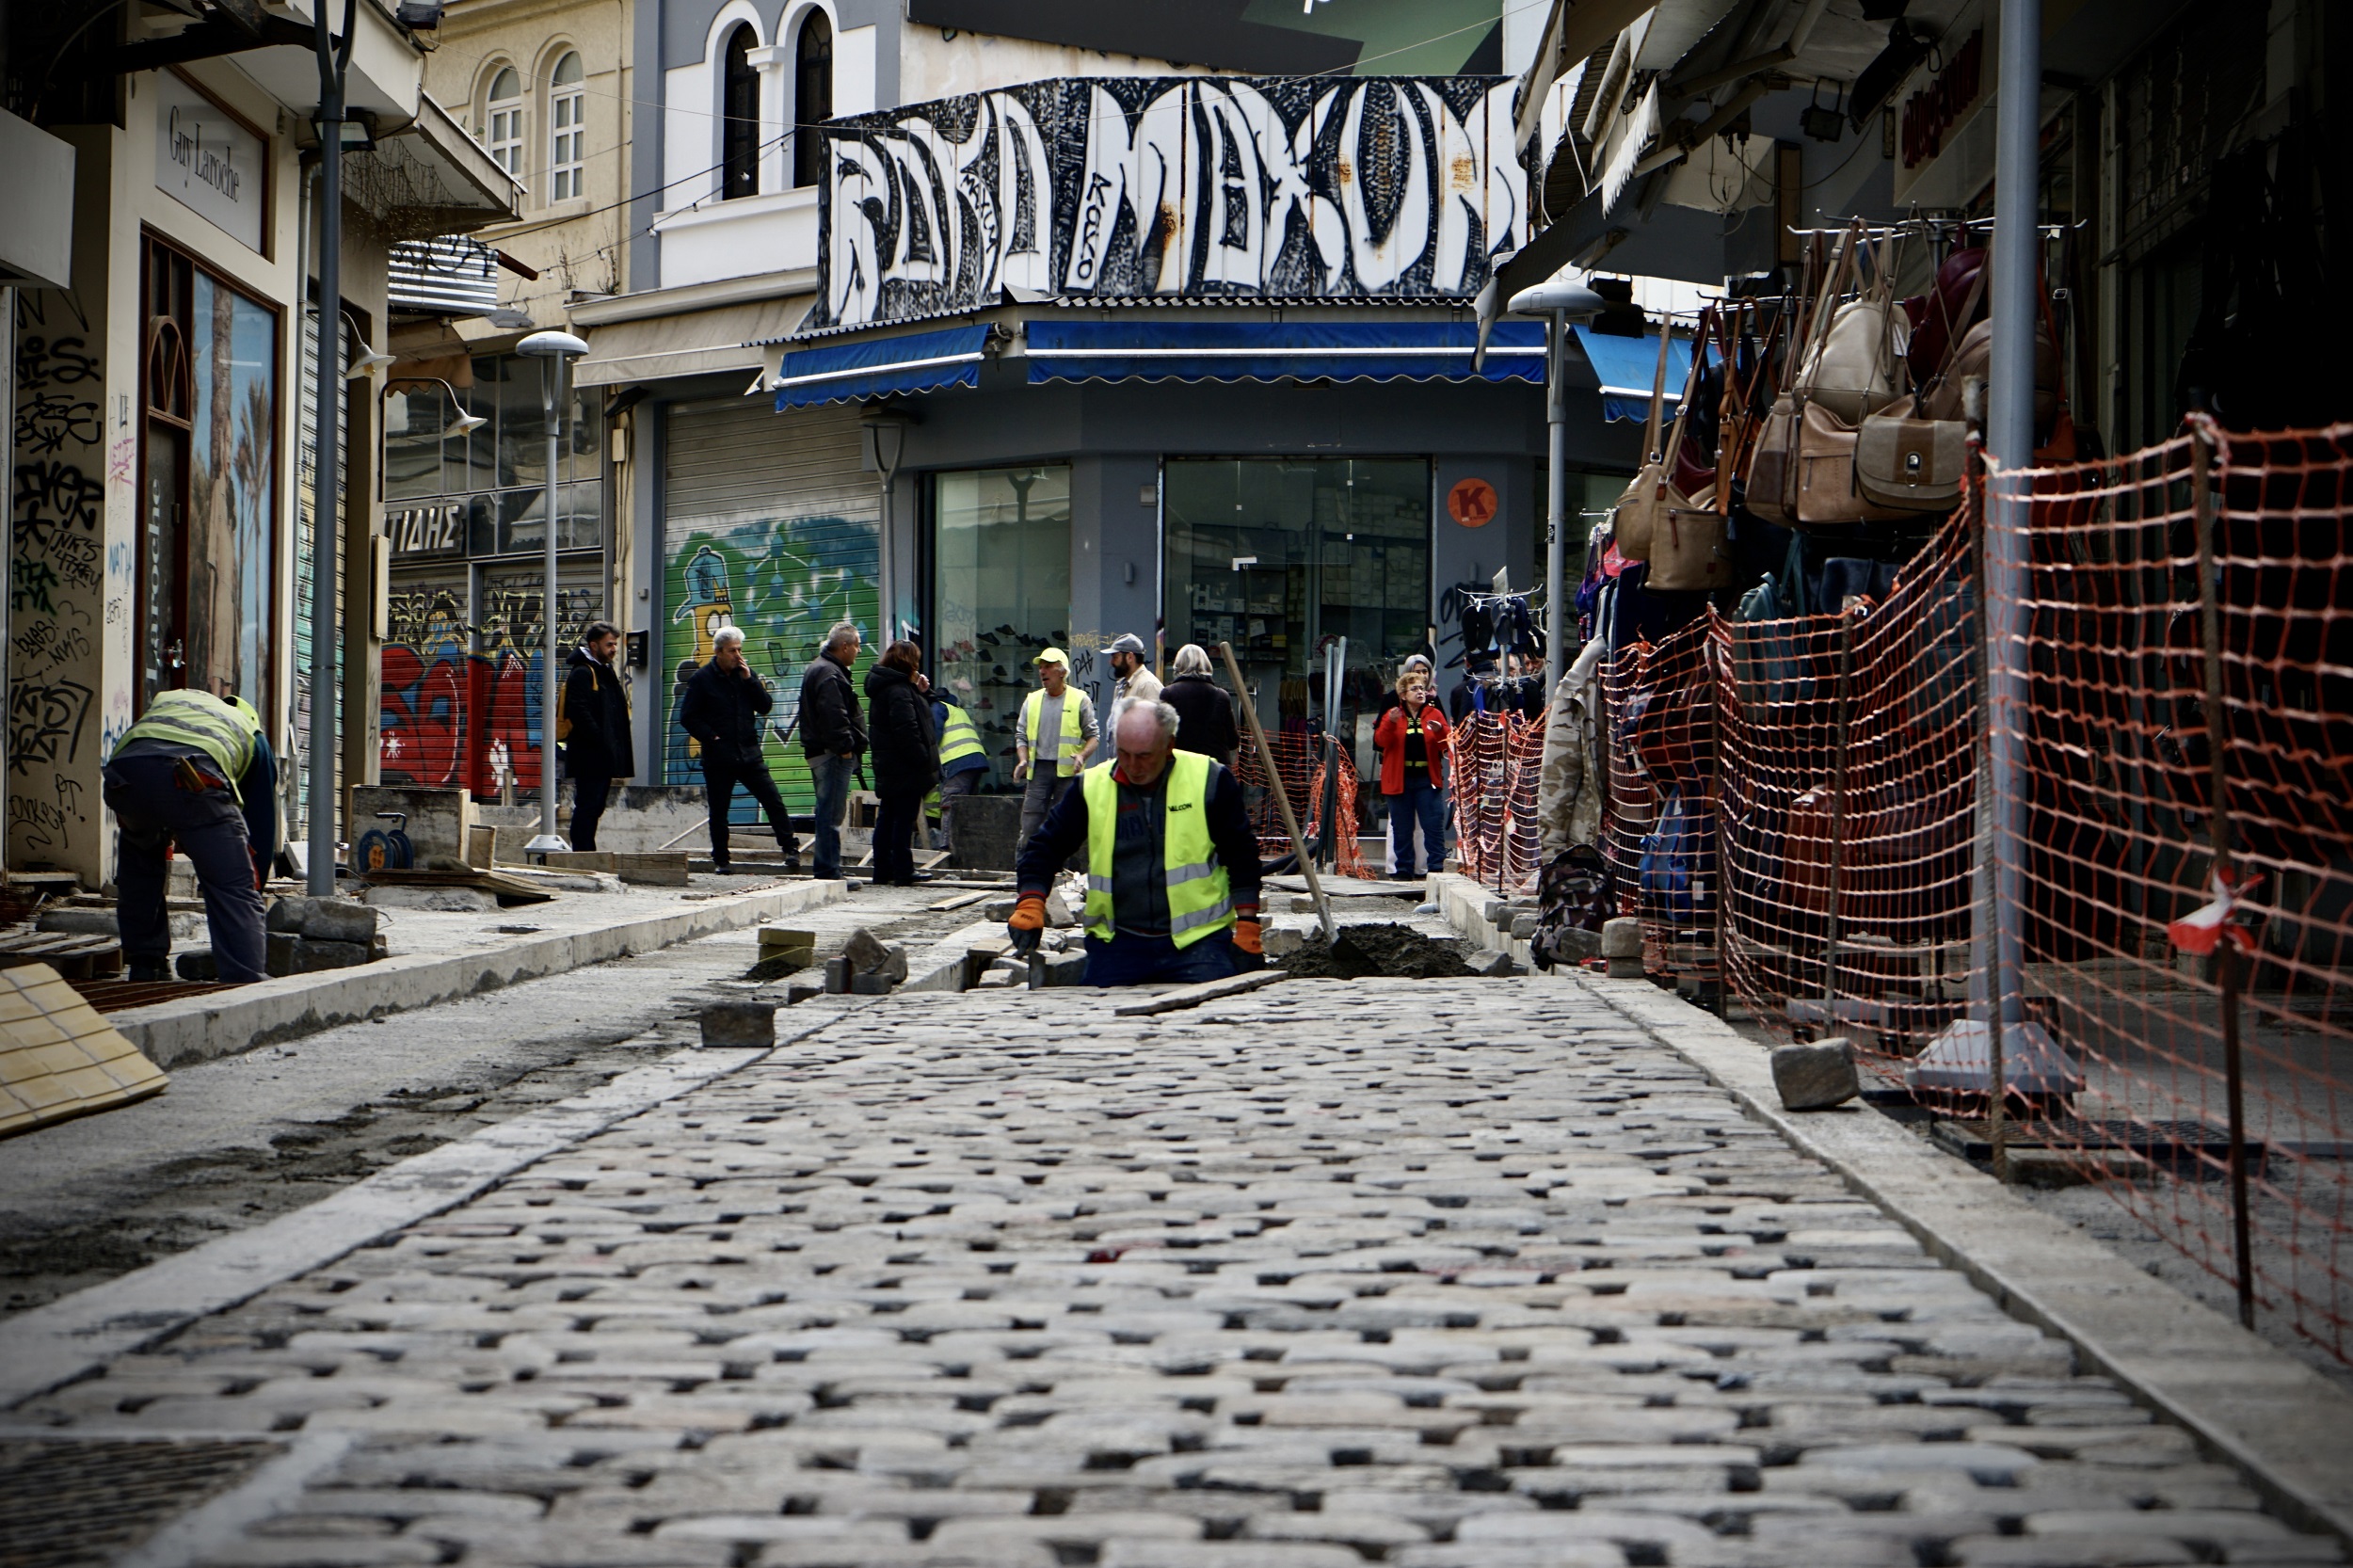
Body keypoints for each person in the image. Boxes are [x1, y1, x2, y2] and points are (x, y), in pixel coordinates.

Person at [1009, 701, 1263, 986]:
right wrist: (1030, 903)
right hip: (1119, 944)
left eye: (1144, 756)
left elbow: (1241, 855)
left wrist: (1248, 926)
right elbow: (1045, 847)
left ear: (1169, 746)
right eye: (1124, 754)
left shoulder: (1209, 780)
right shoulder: (1091, 786)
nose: (1132, 766)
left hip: (1197, 943)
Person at [103, 688, 275, 983]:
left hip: (126, 775)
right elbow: (260, 826)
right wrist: (252, 886)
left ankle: (147, 964)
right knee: (231, 883)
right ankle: (244, 977)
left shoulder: (175, 703)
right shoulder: (253, 736)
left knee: (140, 864)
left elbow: (158, 776)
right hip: (193, 775)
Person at [678, 626, 798, 872]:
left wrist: (750, 680)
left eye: (740, 650)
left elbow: (765, 706)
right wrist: (712, 737)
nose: (738, 655)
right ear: (719, 651)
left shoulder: (745, 675)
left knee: (773, 801)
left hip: (749, 753)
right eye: (732, 650)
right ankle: (721, 860)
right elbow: (688, 717)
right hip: (719, 757)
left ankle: (790, 850)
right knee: (720, 811)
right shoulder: (702, 679)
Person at [864, 639, 937, 886]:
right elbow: (907, 730)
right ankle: (903, 871)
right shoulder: (898, 690)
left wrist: (921, 691)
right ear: (908, 662)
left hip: (891, 766)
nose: (918, 664)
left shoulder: (892, 687)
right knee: (902, 820)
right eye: (915, 660)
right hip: (905, 768)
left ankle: (883, 870)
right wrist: (922, 760)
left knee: (888, 817)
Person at [799, 621, 867, 881]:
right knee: (831, 815)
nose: (859, 651)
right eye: (857, 645)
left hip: (826, 752)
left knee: (828, 812)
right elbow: (834, 715)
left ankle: (830, 868)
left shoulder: (823, 668)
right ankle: (829, 872)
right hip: (832, 754)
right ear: (845, 646)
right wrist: (846, 750)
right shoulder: (829, 673)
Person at [1014, 647, 1098, 854]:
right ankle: (1024, 870)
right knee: (1030, 824)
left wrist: (1081, 755)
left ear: (1062, 672)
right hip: (1039, 771)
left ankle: (1060, 873)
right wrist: (1023, 760)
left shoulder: (1080, 699)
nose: (1042, 671)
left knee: (1064, 825)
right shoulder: (1032, 700)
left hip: (1068, 773)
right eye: (1041, 667)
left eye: (1048, 667)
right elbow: (1021, 735)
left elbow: (1094, 736)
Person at [558, 620, 633, 852]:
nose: (614, 649)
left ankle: (586, 850)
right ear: (594, 645)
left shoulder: (603, 670)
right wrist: (600, 740)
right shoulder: (583, 672)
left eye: (615, 645)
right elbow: (579, 711)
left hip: (602, 754)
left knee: (595, 806)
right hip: (591, 754)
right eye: (609, 644)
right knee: (588, 805)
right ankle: (582, 852)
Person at [1375, 669, 1451, 878]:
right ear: (1403, 695)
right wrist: (1390, 722)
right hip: (1400, 780)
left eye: (1422, 689)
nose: (1420, 692)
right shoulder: (1393, 715)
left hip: (1427, 779)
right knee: (1402, 828)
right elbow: (1381, 741)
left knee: (1433, 825)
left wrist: (1439, 731)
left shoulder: (1434, 714)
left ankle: (1436, 869)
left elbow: (1447, 744)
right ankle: (1403, 870)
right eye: (1415, 689)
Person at [1160, 643, 1239, 767]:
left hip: (1180, 768)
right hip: (1214, 771)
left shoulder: (1168, 694)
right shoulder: (1221, 696)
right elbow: (1233, 742)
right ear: (1207, 665)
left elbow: (1162, 738)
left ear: (1178, 666)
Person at [932, 685, 990, 855]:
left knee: (950, 804)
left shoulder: (937, 707)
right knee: (967, 807)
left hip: (958, 761)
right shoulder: (957, 709)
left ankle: (947, 848)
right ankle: (968, 848)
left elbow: (933, 736)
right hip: (975, 759)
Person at [1107, 632, 1162, 727]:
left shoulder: (1148, 684)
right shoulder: (1121, 686)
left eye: (1115, 657)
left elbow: (1155, 729)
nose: (1111, 662)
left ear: (1130, 657)